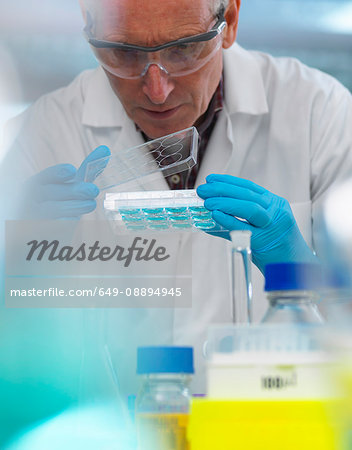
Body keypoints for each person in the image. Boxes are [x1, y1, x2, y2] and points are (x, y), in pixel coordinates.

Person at [1, 0, 352, 396]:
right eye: (125, 52)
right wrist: (16, 267)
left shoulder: (319, 115)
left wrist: (307, 277)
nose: (156, 89)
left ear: (230, 21)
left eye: (183, 49)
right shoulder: (39, 136)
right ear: (87, 25)